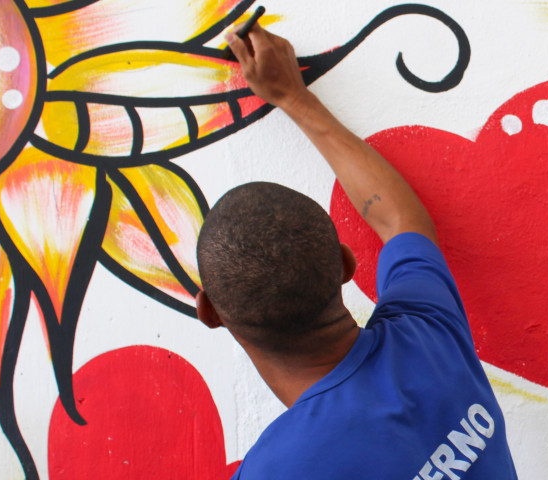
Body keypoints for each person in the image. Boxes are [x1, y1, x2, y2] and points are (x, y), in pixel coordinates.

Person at [193, 23, 519, 479]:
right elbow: (400, 221)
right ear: (346, 264)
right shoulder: (427, 335)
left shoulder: (276, 469)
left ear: (210, 312)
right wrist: (295, 97)